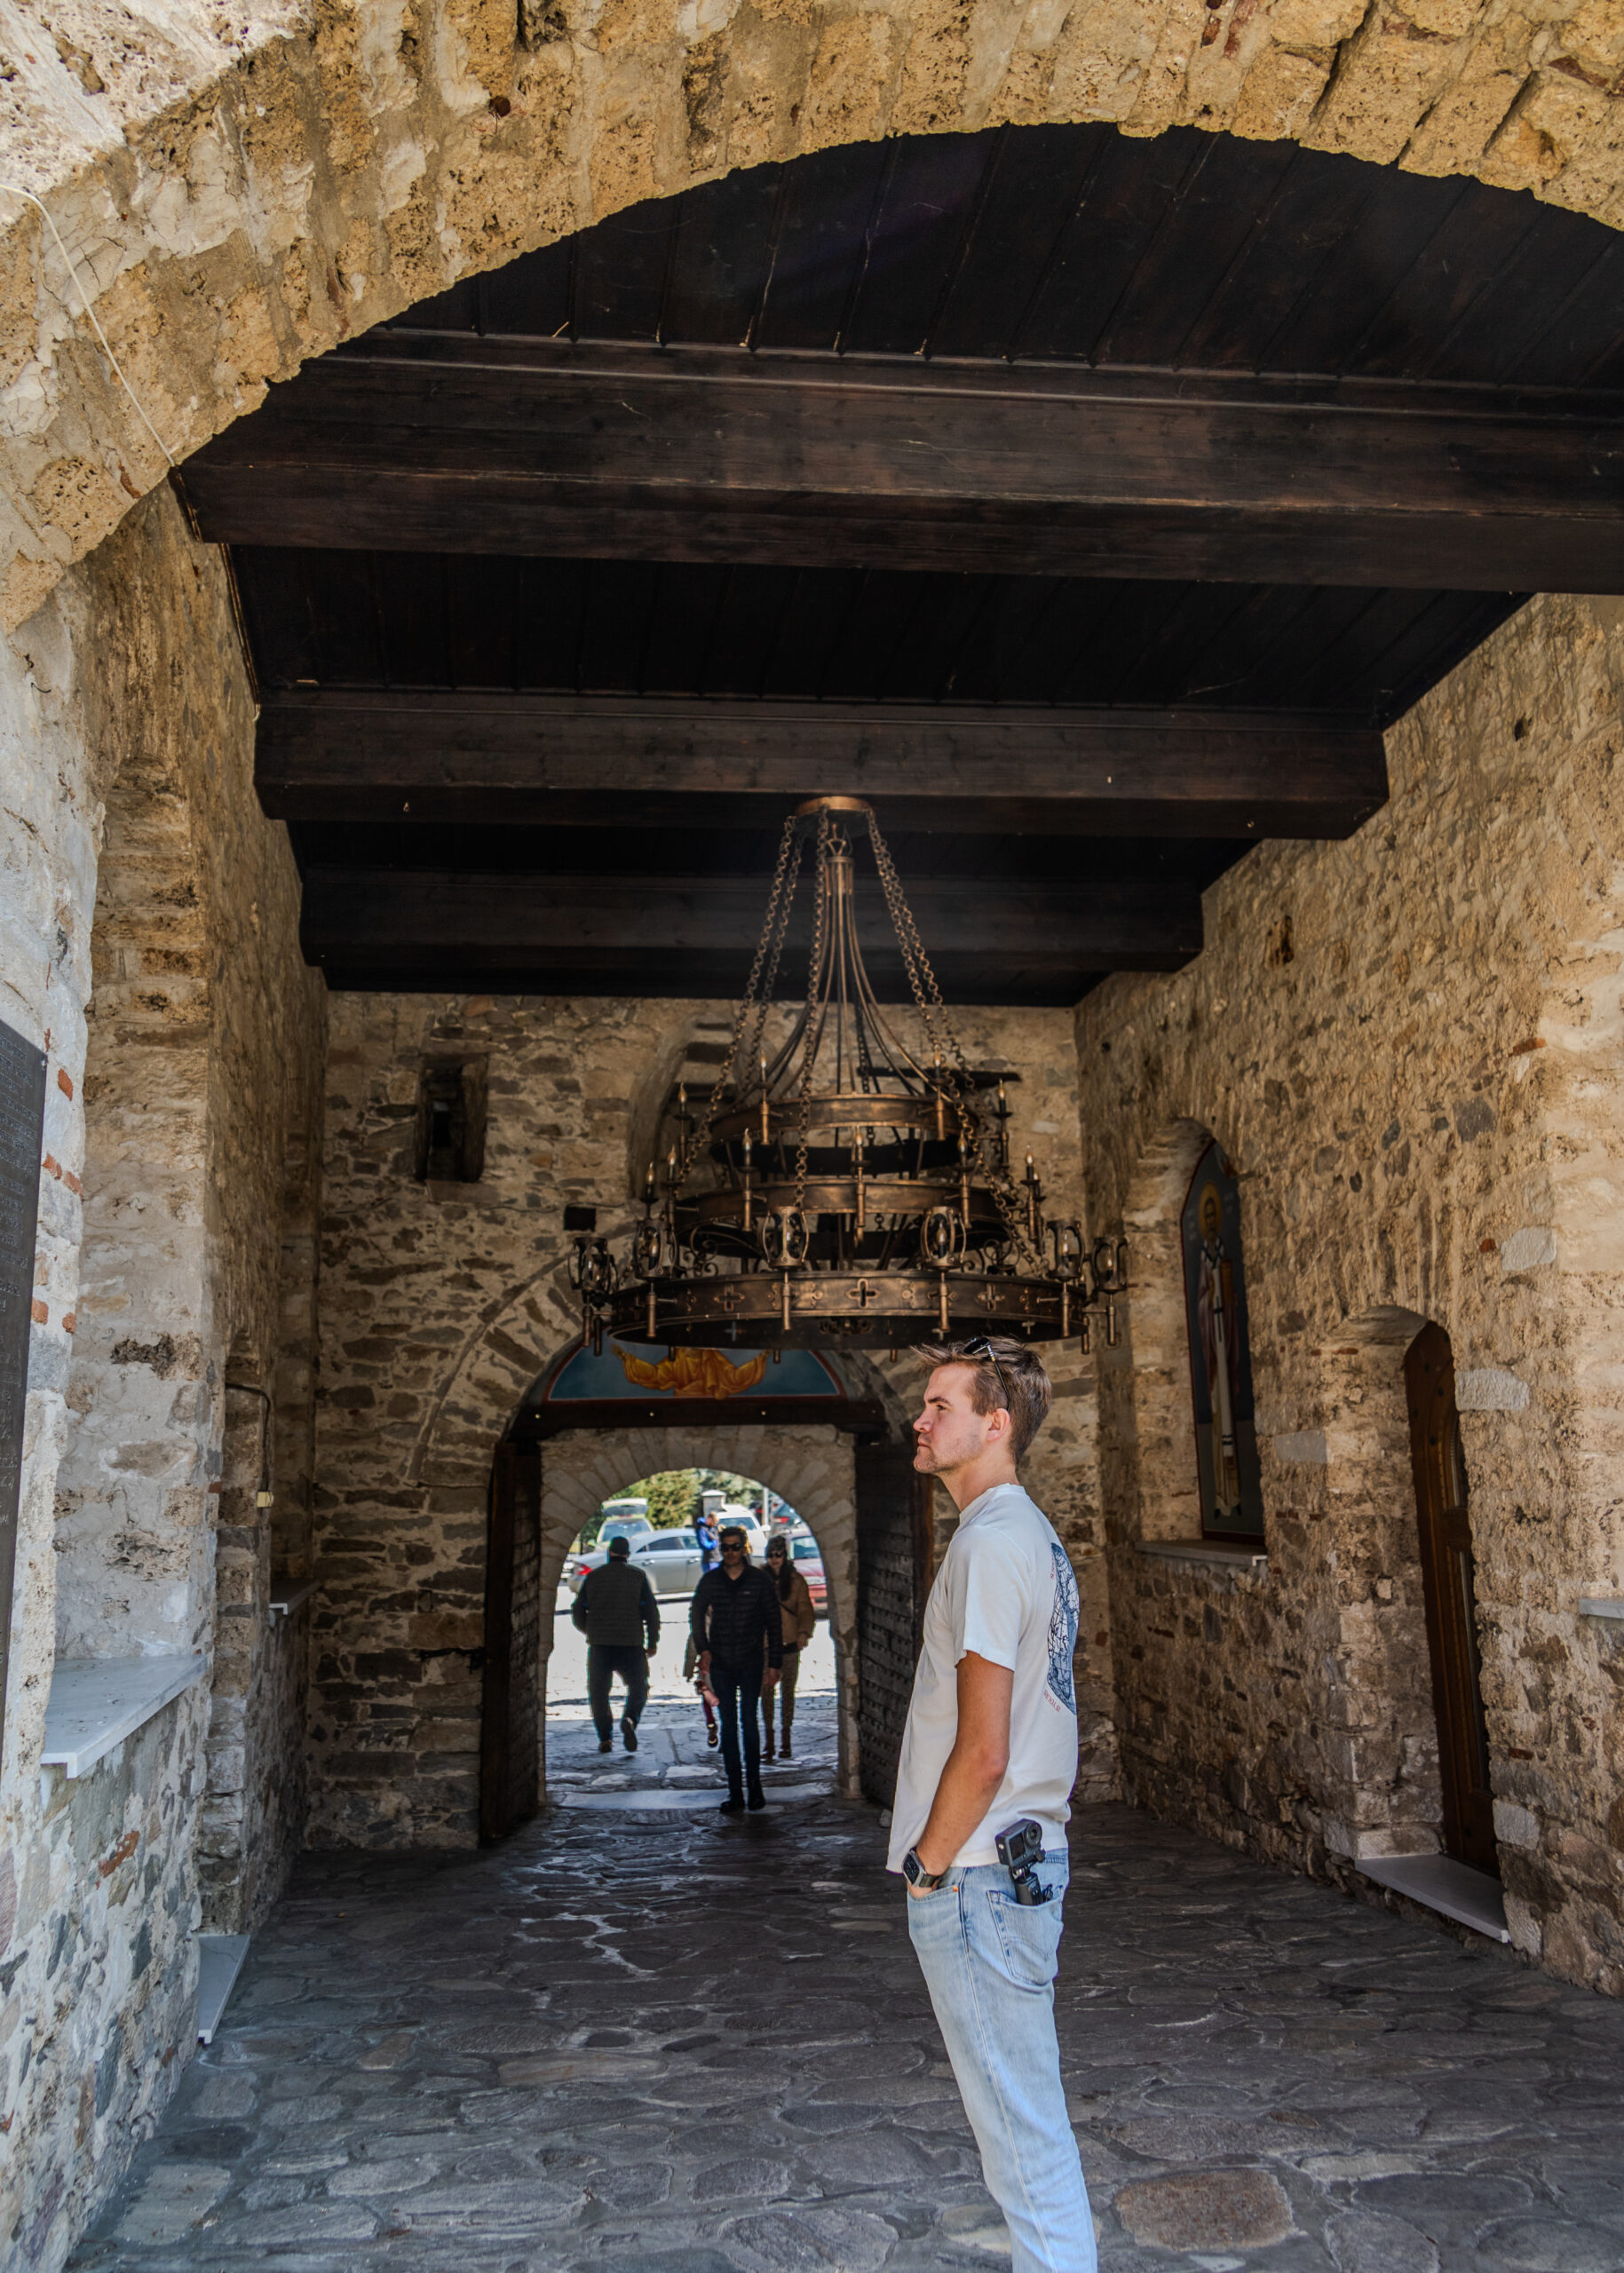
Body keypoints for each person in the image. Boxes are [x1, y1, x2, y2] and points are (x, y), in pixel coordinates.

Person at [889, 1336, 1093, 2273]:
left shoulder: (987, 1544)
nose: (919, 1420)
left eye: (939, 1405)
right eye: (922, 1405)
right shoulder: (1030, 1536)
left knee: (1020, 2142)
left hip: (977, 1874)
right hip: (1013, 1862)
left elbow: (982, 1747)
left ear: (994, 1423)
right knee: (1025, 2129)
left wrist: (926, 1866)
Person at [690, 1525, 782, 1813]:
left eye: (734, 1547)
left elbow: (773, 1623)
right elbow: (695, 1614)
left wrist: (774, 1664)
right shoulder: (711, 1581)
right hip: (721, 1662)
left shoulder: (759, 1581)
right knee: (728, 1728)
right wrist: (704, 1648)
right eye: (725, 1547)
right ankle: (735, 1792)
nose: (729, 1552)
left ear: (744, 1548)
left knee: (749, 1724)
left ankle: (755, 1790)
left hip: (751, 1660)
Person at [571, 1533, 659, 1754]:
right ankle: (629, 1719)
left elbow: (578, 1609)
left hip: (601, 1644)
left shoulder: (594, 1577)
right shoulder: (638, 1576)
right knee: (639, 1687)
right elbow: (651, 1612)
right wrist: (653, 1640)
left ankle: (605, 1738)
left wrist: (589, 1630)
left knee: (599, 1692)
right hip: (631, 1642)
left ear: (609, 1553)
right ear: (628, 1554)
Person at [761, 1534, 814, 1762]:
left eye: (778, 1554)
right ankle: (769, 1740)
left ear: (784, 1556)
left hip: (789, 1643)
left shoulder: (795, 1580)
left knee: (787, 1693)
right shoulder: (759, 1579)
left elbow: (804, 1609)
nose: (774, 1559)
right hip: (764, 1645)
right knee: (766, 1693)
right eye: (771, 1555)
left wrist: (803, 1634)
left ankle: (786, 1738)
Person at [695, 1506, 720, 1573]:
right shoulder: (702, 1530)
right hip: (710, 1562)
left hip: (717, 1560)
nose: (715, 1525)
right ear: (709, 1519)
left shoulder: (710, 1528)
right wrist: (715, 1543)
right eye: (714, 1522)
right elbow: (704, 1545)